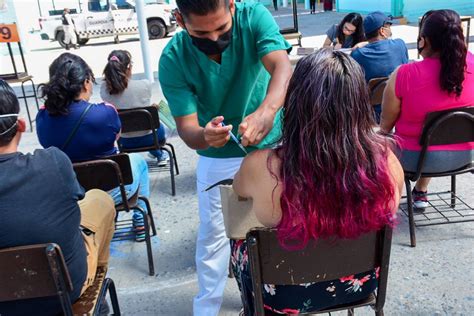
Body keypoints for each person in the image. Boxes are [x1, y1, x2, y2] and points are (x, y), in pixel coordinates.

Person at [231, 49, 404, 315]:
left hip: (281, 291)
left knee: (243, 239)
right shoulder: (388, 162)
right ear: (359, 103)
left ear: (295, 102)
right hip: (360, 282)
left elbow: (238, 201)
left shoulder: (259, 166)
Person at [159, 0, 292, 314]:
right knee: (214, 236)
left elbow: (282, 67)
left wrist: (267, 112)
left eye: (222, 29)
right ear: (180, 20)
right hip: (218, 156)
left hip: (271, 143)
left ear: (232, 6)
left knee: (279, 225)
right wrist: (204, 136)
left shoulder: (254, 17)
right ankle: (206, 307)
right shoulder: (173, 59)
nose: (215, 39)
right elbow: (188, 130)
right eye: (202, 33)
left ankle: (280, 298)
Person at [0, 80, 115, 315]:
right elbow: (76, 198)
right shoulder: (52, 162)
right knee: (100, 200)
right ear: (21, 125)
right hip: (65, 290)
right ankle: (97, 297)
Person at [36, 53, 151, 242]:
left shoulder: (42, 118)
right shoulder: (105, 112)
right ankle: (140, 220)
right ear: (86, 82)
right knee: (138, 162)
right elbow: (116, 137)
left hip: (69, 194)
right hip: (111, 190)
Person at [380, 9, 474, 210]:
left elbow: (385, 126)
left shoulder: (405, 74)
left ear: (424, 40)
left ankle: (386, 203)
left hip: (413, 159)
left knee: (378, 142)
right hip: (465, 155)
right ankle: (421, 191)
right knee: (435, 134)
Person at [100, 49, 169, 166]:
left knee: (138, 124)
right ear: (129, 67)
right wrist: (151, 109)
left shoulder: (104, 90)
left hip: (123, 141)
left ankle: (157, 153)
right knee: (155, 125)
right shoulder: (144, 85)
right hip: (151, 138)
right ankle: (159, 153)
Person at [351, 11, 408, 121]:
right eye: (388, 26)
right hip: (399, 110)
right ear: (382, 31)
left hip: (370, 115)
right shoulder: (400, 45)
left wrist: (365, 44)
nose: (390, 29)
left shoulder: (357, 55)